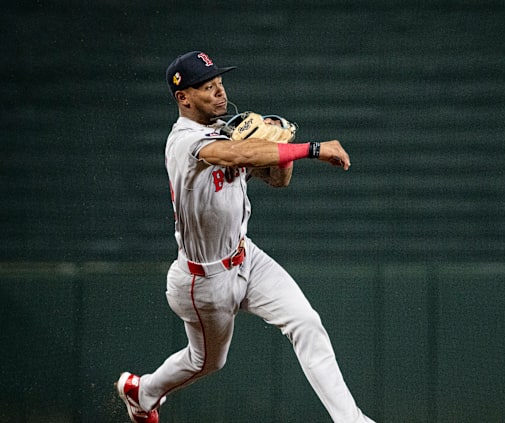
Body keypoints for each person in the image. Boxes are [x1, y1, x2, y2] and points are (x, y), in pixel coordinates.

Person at [115, 50, 375, 423]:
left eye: (221, 84)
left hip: (245, 257)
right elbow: (234, 155)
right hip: (203, 280)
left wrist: (280, 153)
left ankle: (352, 420)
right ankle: (144, 393)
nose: (220, 93)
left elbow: (276, 181)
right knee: (206, 362)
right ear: (183, 98)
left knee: (306, 322)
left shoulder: (223, 129)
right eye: (208, 87)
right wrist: (311, 150)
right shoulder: (184, 141)